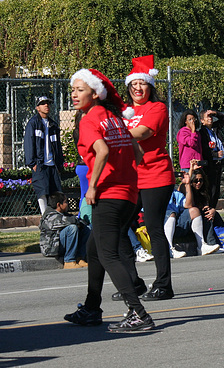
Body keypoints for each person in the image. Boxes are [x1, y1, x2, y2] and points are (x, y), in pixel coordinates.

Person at [63, 68, 155, 332]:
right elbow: (137, 151)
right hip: (128, 195)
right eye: (73, 90)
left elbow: (102, 150)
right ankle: (92, 308)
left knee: (108, 254)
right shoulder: (113, 118)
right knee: (94, 250)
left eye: (80, 90)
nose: (74, 95)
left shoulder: (90, 119)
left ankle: (138, 313)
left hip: (108, 195)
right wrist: (126, 172)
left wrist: (92, 187)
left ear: (95, 93)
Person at [124, 55, 176, 301]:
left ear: (150, 86)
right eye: (133, 84)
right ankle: (133, 283)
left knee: (154, 227)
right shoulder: (126, 112)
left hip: (156, 175)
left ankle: (164, 285)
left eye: (142, 84)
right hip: (132, 178)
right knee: (119, 228)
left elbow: (143, 132)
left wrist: (112, 133)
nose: (137, 88)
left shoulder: (157, 108)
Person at [163, 161, 221, 257]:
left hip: (178, 225)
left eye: (200, 180)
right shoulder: (157, 192)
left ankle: (202, 245)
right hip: (163, 224)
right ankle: (169, 248)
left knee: (196, 210)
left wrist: (188, 183)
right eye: (196, 181)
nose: (198, 183)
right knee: (171, 212)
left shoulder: (176, 194)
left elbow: (189, 205)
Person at [24, 96, 64, 214]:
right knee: (42, 191)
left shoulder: (53, 125)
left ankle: (57, 216)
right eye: (43, 104)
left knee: (56, 191)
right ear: (37, 107)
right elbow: (29, 143)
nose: (46, 106)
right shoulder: (33, 123)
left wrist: (59, 163)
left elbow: (58, 146)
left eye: (48, 103)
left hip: (52, 165)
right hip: (40, 164)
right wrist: (32, 163)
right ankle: (45, 216)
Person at [39, 191, 90, 269]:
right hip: (51, 248)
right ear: (58, 205)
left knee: (86, 229)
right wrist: (78, 223)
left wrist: (81, 224)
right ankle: (69, 260)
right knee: (72, 228)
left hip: (59, 244)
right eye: (65, 202)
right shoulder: (50, 216)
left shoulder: (62, 213)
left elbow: (78, 221)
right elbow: (71, 221)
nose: (68, 204)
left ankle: (80, 258)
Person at [199, 108, 224, 208]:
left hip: (219, 163)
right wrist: (216, 154)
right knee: (211, 189)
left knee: (216, 190)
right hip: (211, 163)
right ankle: (208, 208)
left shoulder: (215, 128)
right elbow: (205, 149)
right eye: (207, 117)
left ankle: (213, 209)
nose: (210, 118)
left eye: (211, 117)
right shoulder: (202, 133)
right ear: (202, 121)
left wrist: (214, 112)